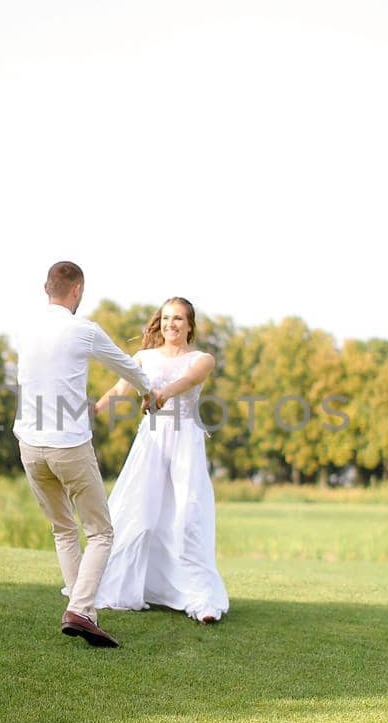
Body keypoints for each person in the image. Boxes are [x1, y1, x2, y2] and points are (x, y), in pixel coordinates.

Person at [13, 260, 155, 649]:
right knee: (101, 531)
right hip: (68, 446)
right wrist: (147, 391)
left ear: (47, 288)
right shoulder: (83, 330)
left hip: (29, 446)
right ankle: (79, 609)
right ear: (76, 291)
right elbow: (126, 365)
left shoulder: (24, 330)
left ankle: (83, 611)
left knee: (62, 529)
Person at [94, 297, 229, 624]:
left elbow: (188, 381)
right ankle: (129, 587)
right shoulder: (143, 358)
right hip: (152, 442)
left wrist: (162, 395)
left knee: (187, 516)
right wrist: (92, 411)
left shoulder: (203, 359)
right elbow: (119, 390)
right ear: (160, 322)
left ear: (189, 325)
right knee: (140, 514)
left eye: (179, 319)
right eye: (167, 318)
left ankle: (201, 601)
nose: (172, 324)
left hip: (185, 442)